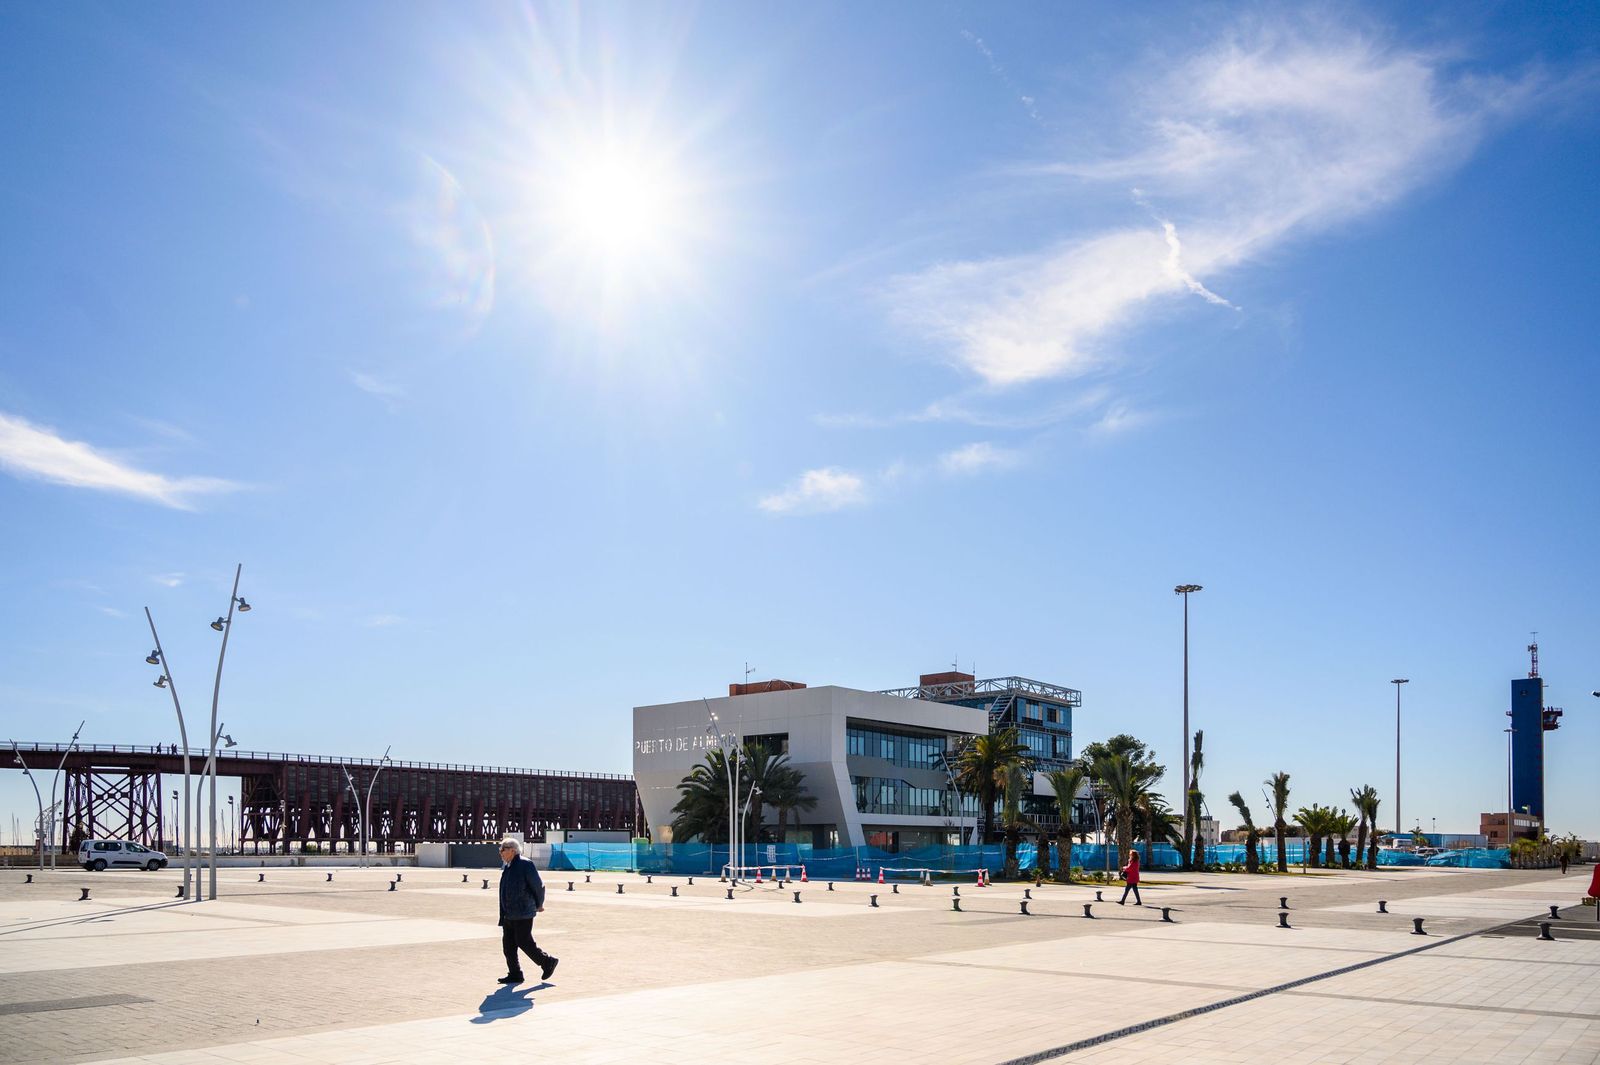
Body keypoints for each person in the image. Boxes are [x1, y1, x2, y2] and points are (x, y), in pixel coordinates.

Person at [496, 838, 557, 985]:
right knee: (508, 946)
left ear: (513, 850)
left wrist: (539, 904)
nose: (500, 852)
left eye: (503, 849)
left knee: (524, 942)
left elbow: (538, 886)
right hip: (509, 913)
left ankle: (547, 961)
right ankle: (515, 974)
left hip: (523, 911)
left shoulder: (525, 864)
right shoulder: (508, 866)